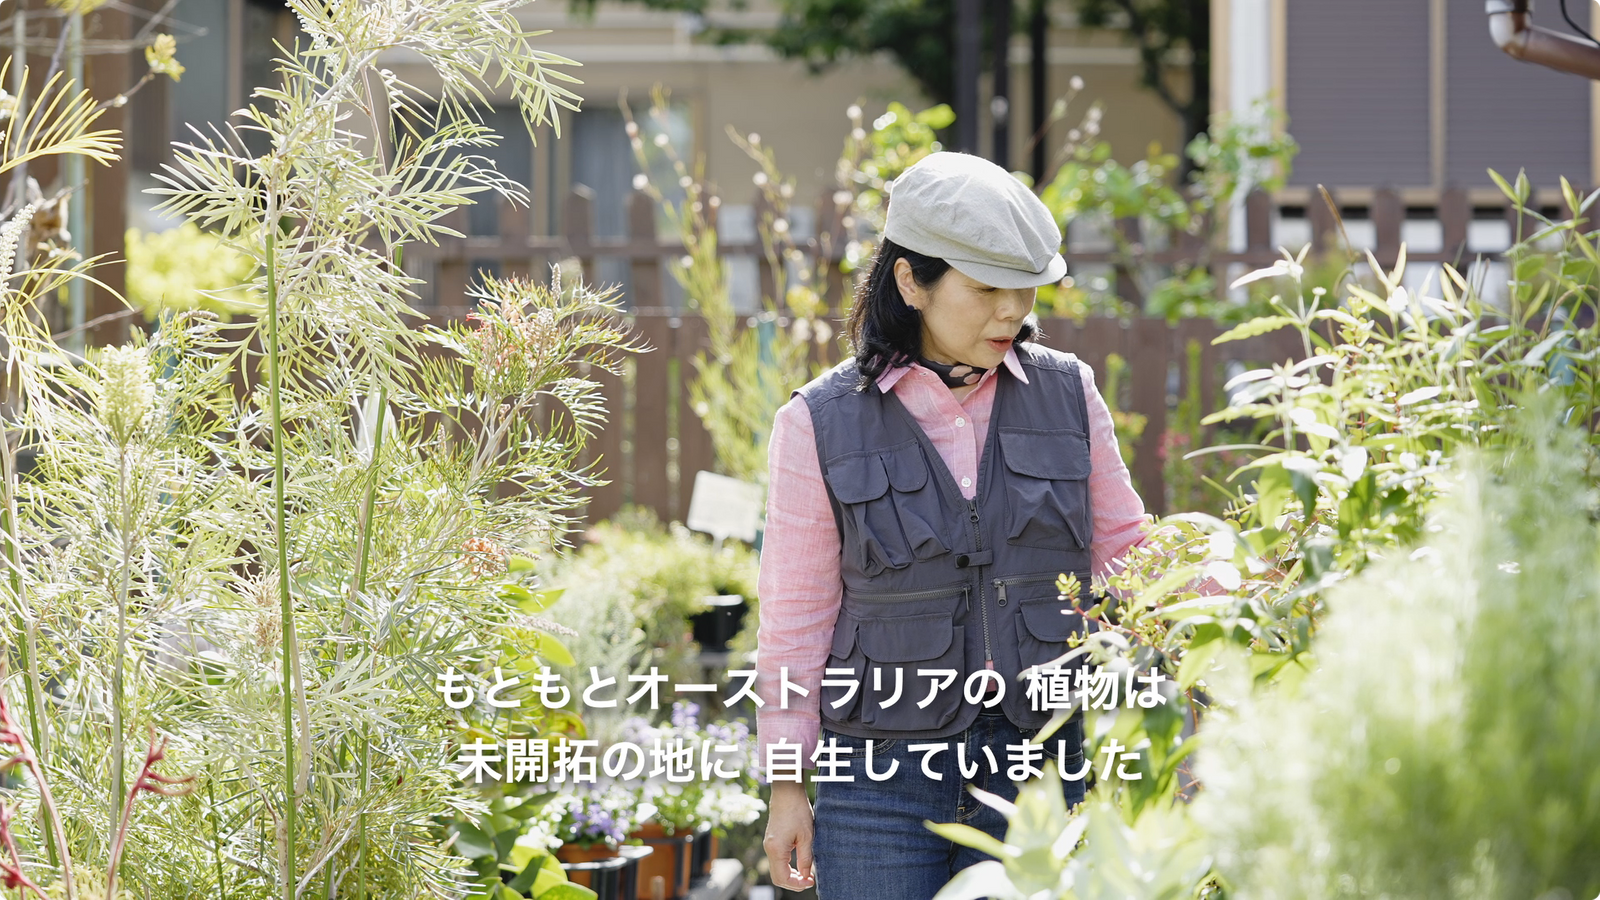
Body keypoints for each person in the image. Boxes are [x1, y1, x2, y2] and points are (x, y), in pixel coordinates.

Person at [753, 151, 1157, 899]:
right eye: (987, 288)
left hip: (1037, 772)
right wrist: (786, 786)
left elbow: (1126, 550)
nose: (1014, 309)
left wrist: (1238, 589)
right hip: (878, 784)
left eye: (1026, 286)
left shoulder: (1070, 396)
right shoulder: (817, 423)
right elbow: (796, 617)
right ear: (911, 281)